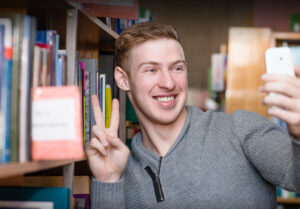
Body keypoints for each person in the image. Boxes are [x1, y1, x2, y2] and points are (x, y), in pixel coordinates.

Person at [87, 21, 300, 209]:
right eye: (151, 70)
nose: (168, 83)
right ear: (123, 80)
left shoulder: (240, 129)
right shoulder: (117, 166)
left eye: (177, 68)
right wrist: (108, 182)